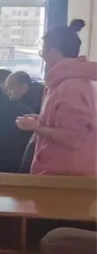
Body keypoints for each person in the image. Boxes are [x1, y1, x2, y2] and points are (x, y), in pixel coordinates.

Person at [16, 20, 97, 176]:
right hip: (63, 168)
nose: (43, 58)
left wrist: (36, 127)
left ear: (53, 52)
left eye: (42, 53)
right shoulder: (68, 80)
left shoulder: (71, 86)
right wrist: (40, 119)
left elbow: (72, 137)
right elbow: (64, 122)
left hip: (65, 173)